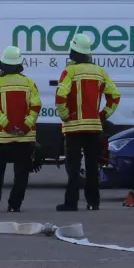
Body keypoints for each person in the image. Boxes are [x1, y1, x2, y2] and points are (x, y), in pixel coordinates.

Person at [55, 33, 121, 212]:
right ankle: (93, 202)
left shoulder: (70, 71)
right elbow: (115, 96)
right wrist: (103, 114)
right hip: (93, 127)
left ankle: (71, 203)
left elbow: (60, 95)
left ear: (74, 51)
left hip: (73, 128)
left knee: (73, 168)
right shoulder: (99, 72)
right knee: (92, 167)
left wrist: (64, 115)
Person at [0, 46, 40, 213]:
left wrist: (7, 125)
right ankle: (15, 205)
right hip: (24, 137)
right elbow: (36, 105)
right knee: (21, 174)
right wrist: (25, 125)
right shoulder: (29, 83)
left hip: (1, 137)